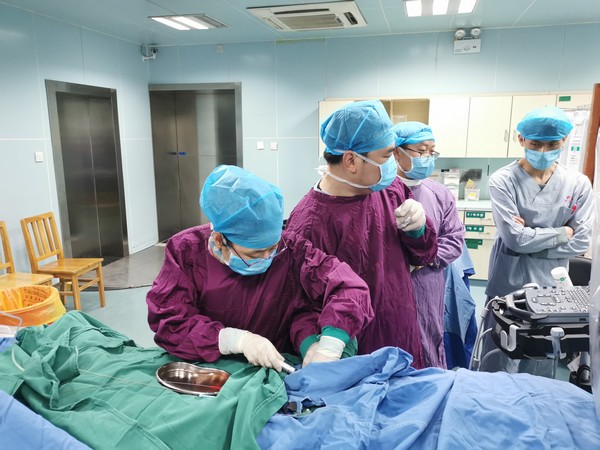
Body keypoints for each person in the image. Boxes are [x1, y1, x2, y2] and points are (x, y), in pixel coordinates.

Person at [147, 165, 374, 372]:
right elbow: (170, 322)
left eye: (272, 249)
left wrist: (325, 347)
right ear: (218, 240)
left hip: (274, 365)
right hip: (209, 368)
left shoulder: (292, 249)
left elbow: (348, 287)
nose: (267, 258)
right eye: (255, 254)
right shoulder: (186, 251)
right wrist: (235, 340)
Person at [284, 100, 439, 369]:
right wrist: (312, 345)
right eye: (386, 156)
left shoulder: (389, 190)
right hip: (352, 349)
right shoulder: (309, 224)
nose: (392, 164)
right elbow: (299, 303)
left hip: (400, 330)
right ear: (351, 160)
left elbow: (423, 256)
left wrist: (419, 231)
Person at [486, 106, 594, 299]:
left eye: (552, 144)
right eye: (535, 144)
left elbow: (582, 241)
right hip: (510, 282)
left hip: (554, 283)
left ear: (564, 140)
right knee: (504, 319)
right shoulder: (502, 181)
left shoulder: (578, 183)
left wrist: (528, 239)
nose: (543, 151)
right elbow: (515, 239)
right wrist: (563, 232)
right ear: (521, 139)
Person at [391, 122, 465, 368]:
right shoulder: (380, 193)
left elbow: (454, 239)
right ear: (397, 152)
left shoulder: (439, 194)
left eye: (431, 152)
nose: (427, 158)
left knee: (429, 338)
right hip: (390, 282)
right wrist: (399, 265)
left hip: (428, 283)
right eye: (421, 151)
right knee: (392, 341)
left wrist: (423, 260)